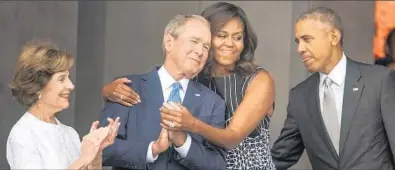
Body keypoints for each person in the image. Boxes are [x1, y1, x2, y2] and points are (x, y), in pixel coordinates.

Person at [101, 2, 276, 169]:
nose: (229, 43)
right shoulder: (132, 87)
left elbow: (230, 140)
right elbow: (102, 148)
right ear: (169, 42)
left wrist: (187, 131)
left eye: (237, 37)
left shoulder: (250, 83)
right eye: (221, 35)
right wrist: (107, 92)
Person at [271, 7, 395, 169]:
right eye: (298, 42)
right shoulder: (300, 95)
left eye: (307, 39)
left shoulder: (380, 81)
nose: (300, 49)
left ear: (334, 37)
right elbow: (279, 157)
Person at [98, 14, 227, 170]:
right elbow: (102, 150)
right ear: (169, 42)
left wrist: (183, 142)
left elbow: (218, 165)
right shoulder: (126, 87)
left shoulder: (214, 102)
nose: (200, 51)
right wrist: (152, 149)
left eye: (206, 47)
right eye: (194, 41)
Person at [6, 41, 120, 169]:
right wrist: (84, 158)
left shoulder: (70, 133)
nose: (71, 86)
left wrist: (96, 151)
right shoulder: (23, 134)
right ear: (38, 86)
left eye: (68, 77)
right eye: (61, 79)